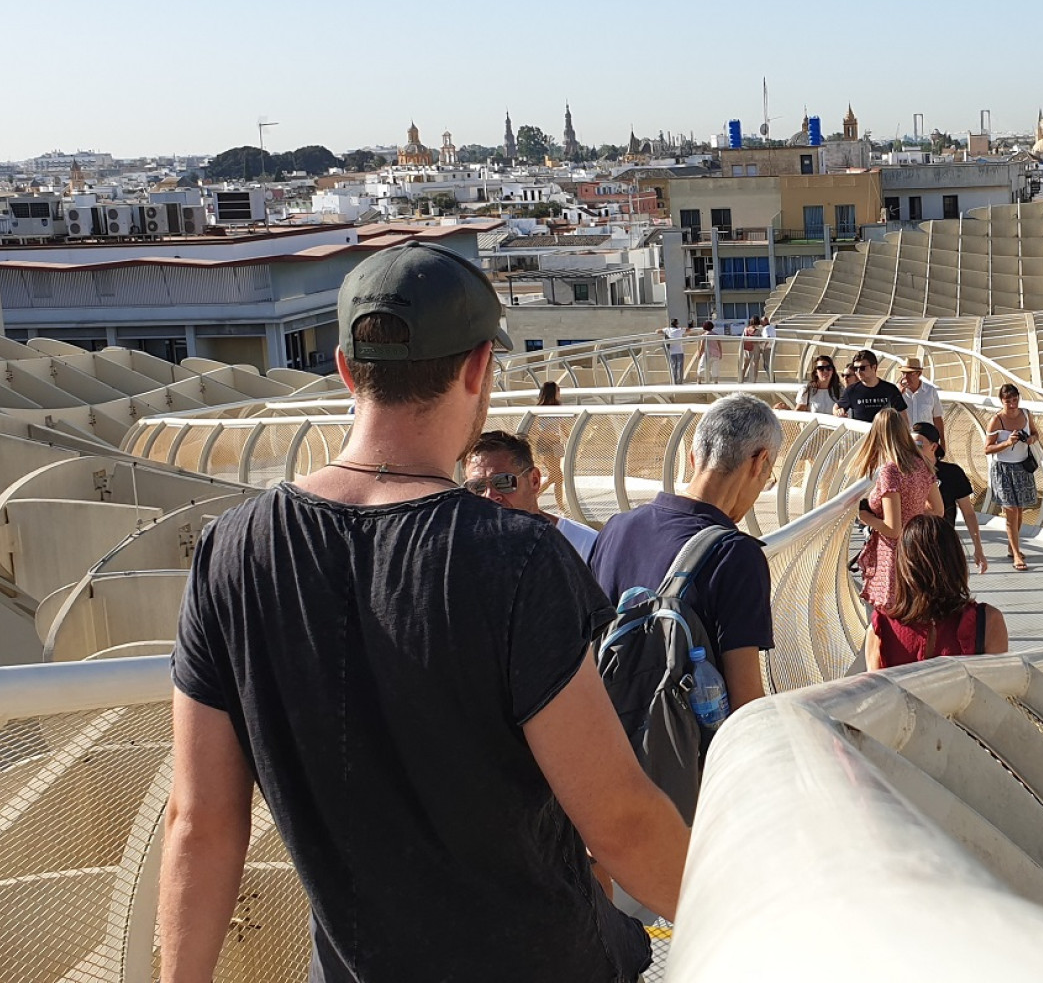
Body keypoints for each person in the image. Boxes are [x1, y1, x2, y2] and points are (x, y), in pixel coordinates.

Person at [162, 243, 686, 983]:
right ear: (478, 370)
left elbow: (200, 823)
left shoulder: (232, 549)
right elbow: (620, 819)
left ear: (346, 370)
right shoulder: (516, 557)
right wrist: (754, 917)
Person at [589, 393, 781, 712]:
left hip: (608, 736)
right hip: (685, 756)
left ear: (693, 457)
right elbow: (745, 703)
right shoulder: (736, 555)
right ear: (759, 462)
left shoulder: (617, 528)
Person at [866, 515, 1009, 670]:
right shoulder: (988, 621)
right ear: (956, 561)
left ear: (904, 567)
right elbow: (998, 687)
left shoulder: (881, 628)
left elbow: (877, 692)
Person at [853, 408, 941, 611]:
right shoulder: (922, 463)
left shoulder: (891, 470)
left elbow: (893, 529)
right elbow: (937, 509)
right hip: (916, 547)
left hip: (892, 555)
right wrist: (914, 513)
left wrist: (865, 516)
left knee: (891, 615)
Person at [466, 429, 598, 560]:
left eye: (503, 481)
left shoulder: (585, 546)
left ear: (534, 480)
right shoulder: (466, 552)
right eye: (477, 487)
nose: (489, 496)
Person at [912, 421, 987, 575]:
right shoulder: (903, 473)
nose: (913, 450)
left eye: (919, 445)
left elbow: (968, 513)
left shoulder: (952, 473)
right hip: (913, 542)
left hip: (943, 543)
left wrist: (978, 548)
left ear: (934, 447)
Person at [983, 383, 1040, 572]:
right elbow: (987, 448)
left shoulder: (1025, 414)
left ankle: (1012, 546)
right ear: (1002, 401)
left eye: (1015, 400)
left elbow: (1035, 433)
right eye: (1008, 401)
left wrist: (1030, 439)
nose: (1013, 405)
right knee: (1011, 511)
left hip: (1022, 467)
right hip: (1003, 470)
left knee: (1020, 510)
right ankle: (1016, 554)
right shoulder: (996, 420)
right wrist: (1007, 443)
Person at [834, 348, 906, 424]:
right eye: (855, 368)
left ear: (874, 367)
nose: (858, 372)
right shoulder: (851, 390)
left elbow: (903, 416)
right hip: (862, 435)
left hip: (884, 434)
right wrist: (837, 412)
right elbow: (836, 407)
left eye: (862, 368)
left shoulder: (890, 389)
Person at [532, 380, 568, 511]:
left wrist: (570, 436)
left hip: (557, 443)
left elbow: (562, 424)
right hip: (545, 444)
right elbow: (535, 429)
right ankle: (559, 506)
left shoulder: (559, 408)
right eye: (558, 391)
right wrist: (546, 435)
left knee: (557, 476)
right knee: (557, 475)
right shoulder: (539, 410)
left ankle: (558, 506)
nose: (560, 394)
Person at [896, 356, 944, 430]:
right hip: (903, 439)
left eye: (910, 373)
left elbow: (937, 418)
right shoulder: (895, 391)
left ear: (919, 374)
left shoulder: (930, 391)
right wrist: (897, 395)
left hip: (925, 439)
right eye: (903, 373)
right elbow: (886, 416)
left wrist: (942, 440)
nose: (905, 377)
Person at [660, 318, 685, 383]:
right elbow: (689, 330)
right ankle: (680, 382)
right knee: (680, 368)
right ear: (677, 324)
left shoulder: (667, 330)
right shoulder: (680, 330)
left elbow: (657, 331)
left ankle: (674, 382)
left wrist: (665, 333)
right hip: (680, 351)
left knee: (674, 368)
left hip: (672, 352)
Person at [739, 319, 760, 383]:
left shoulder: (746, 329)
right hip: (755, 348)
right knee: (755, 365)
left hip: (746, 349)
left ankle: (741, 379)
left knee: (745, 365)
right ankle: (754, 380)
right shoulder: (758, 331)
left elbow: (742, 339)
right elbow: (758, 341)